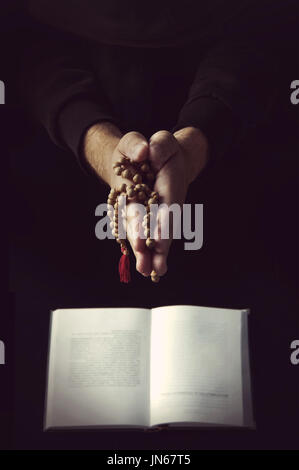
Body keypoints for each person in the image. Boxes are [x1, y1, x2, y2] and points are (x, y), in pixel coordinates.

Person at [19, 0, 292, 279]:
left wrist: (197, 140)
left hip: (243, 159)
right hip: (53, 178)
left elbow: (273, 24)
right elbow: (19, 38)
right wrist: (98, 142)